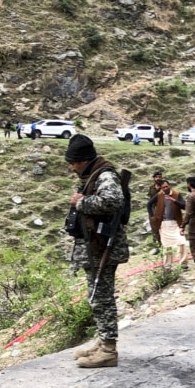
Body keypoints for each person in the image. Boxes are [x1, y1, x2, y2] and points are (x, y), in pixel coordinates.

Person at [64, 134, 128, 368]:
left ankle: (109, 350)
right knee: (97, 296)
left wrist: (81, 202)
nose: (72, 168)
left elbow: (113, 201)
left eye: (73, 163)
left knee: (101, 298)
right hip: (95, 246)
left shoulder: (105, 175)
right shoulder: (95, 174)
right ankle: (102, 342)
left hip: (103, 248)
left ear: (83, 160)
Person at [152, 180, 187, 266]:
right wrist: (152, 216)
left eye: (166, 186)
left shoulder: (176, 194)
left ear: (169, 186)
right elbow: (149, 204)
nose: (165, 188)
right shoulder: (159, 195)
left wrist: (174, 200)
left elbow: (184, 206)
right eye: (163, 187)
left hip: (175, 223)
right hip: (163, 224)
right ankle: (168, 265)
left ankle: (183, 263)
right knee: (167, 245)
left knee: (182, 241)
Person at [145, 171, 165, 252]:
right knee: (154, 228)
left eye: (160, 177)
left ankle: (165, 244)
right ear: (154, 178)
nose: (158, 178)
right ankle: (159, 245)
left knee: (163, 227)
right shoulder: (151, 187)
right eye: (157, 177)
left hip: (162, 209)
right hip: (153, 209)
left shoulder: (164, 187)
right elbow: (150, 199)